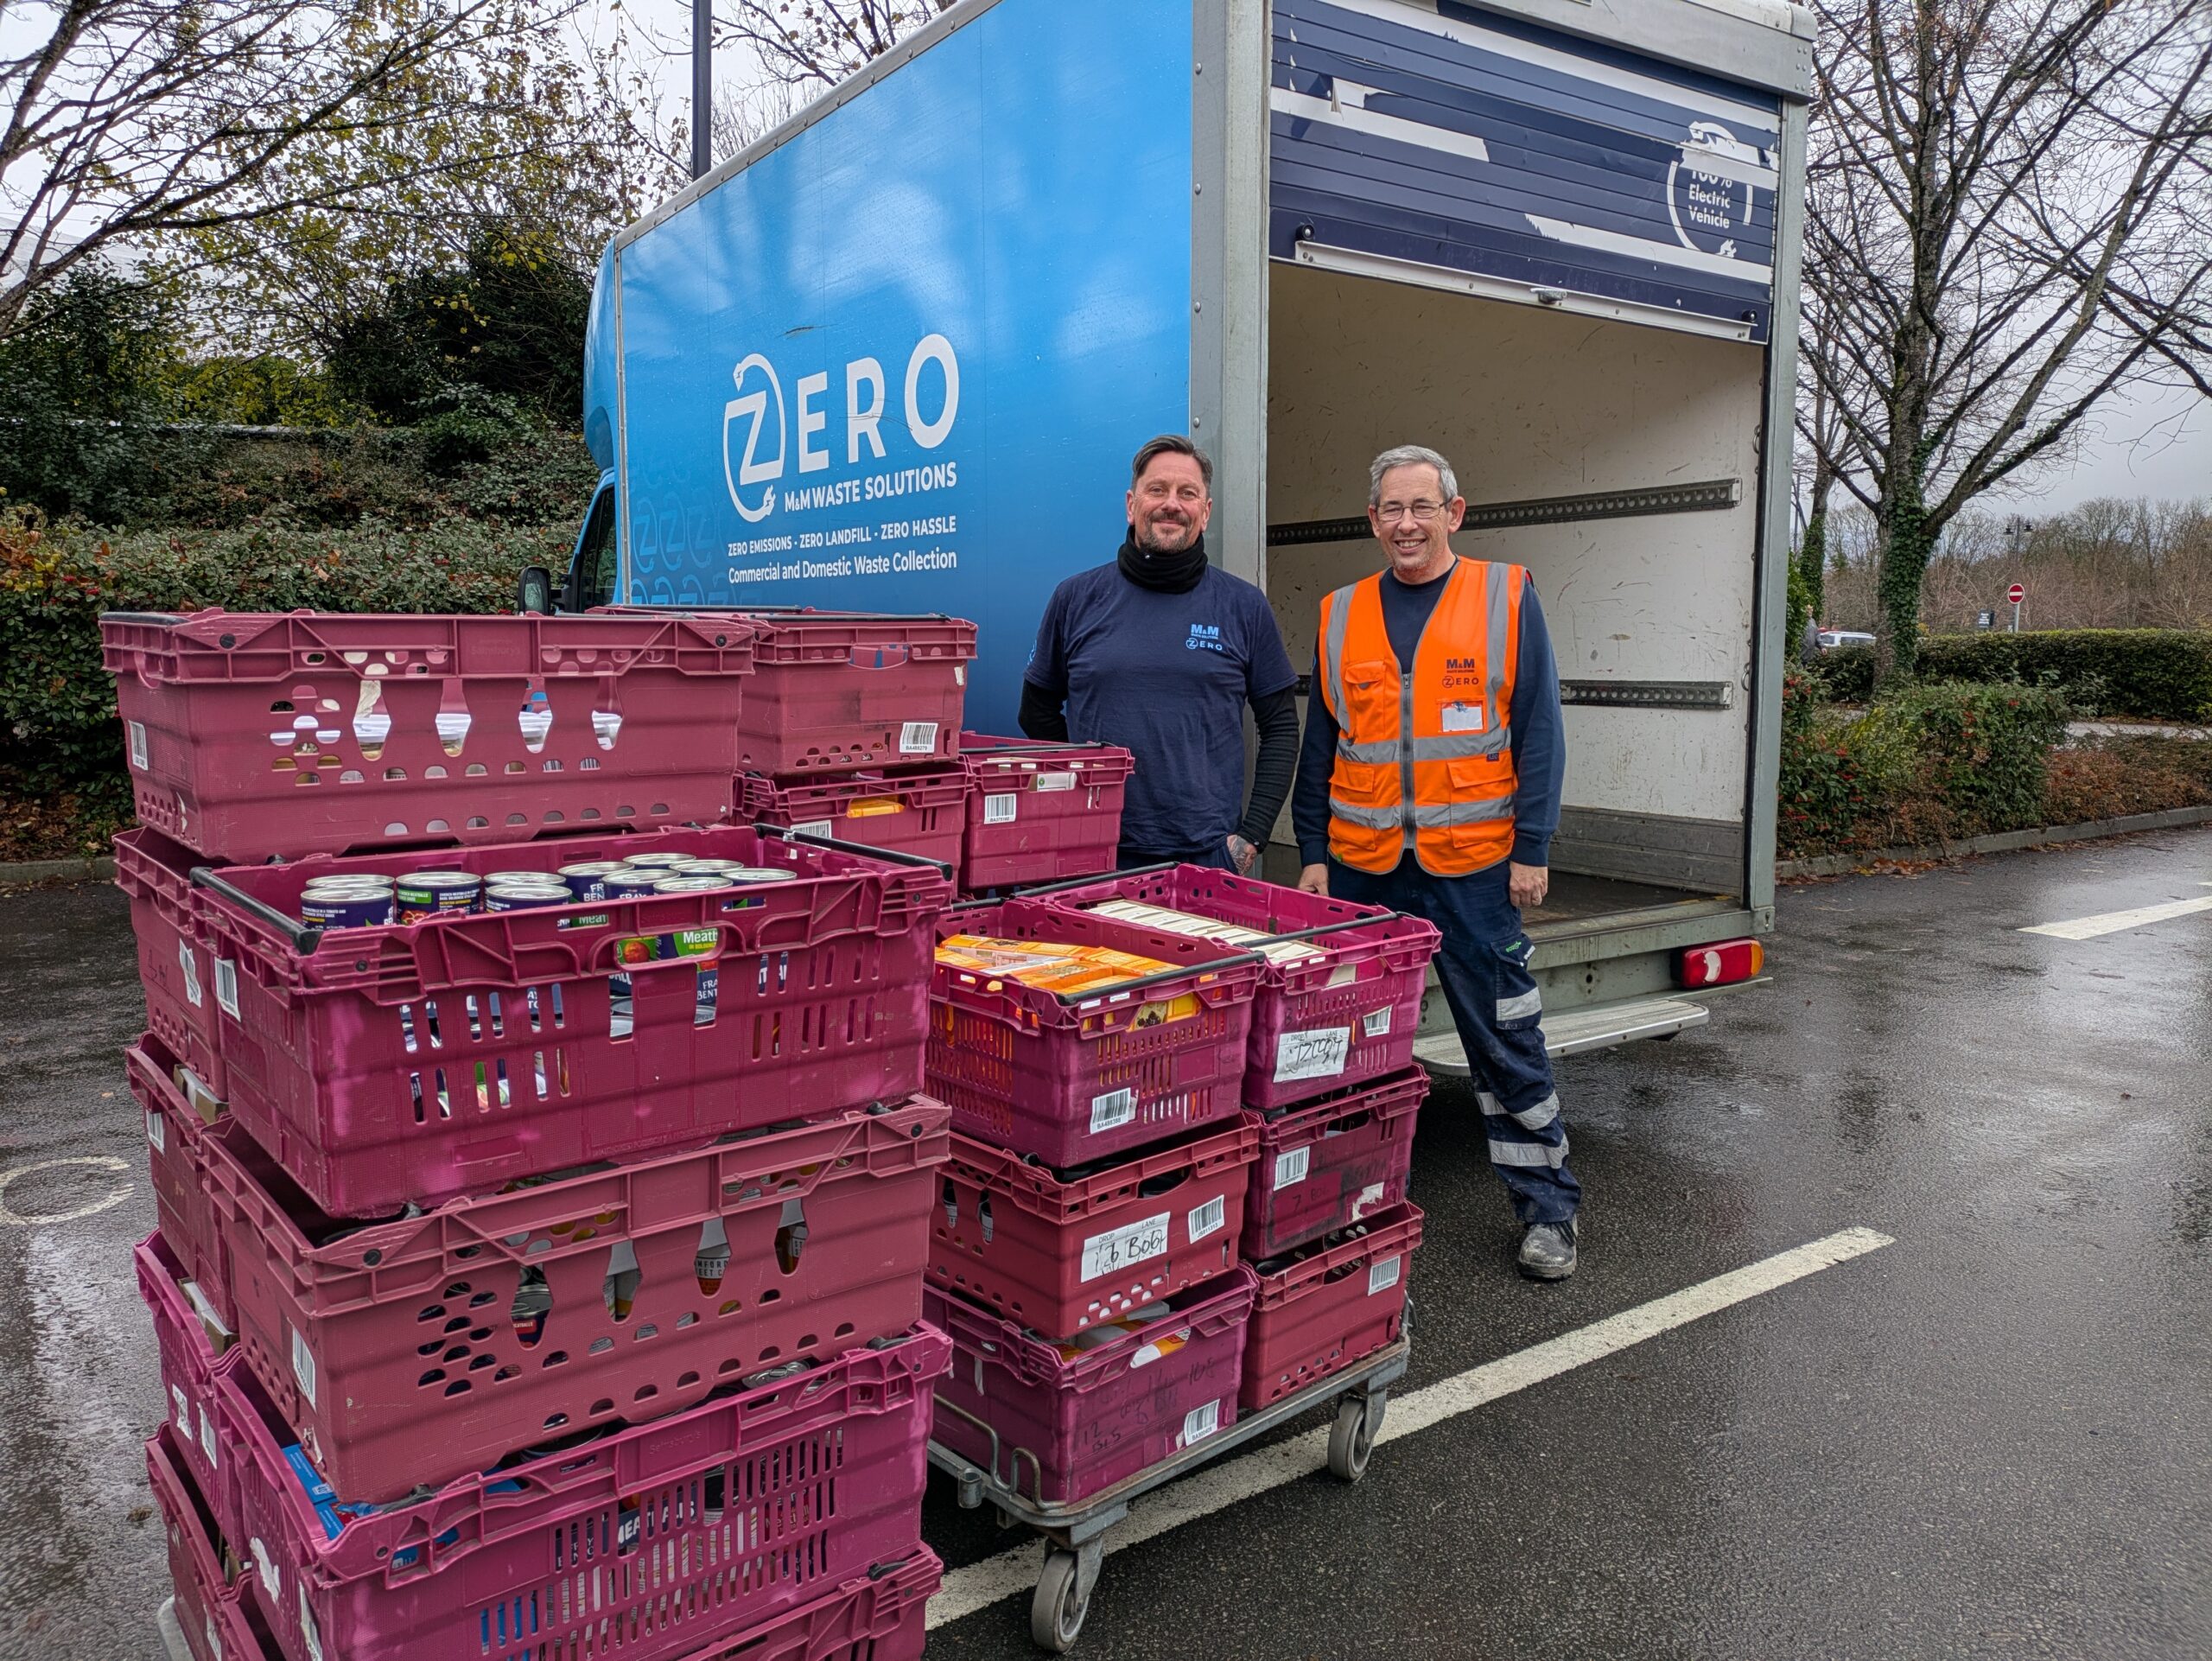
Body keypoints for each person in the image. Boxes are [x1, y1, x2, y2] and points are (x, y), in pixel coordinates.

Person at [1291, 443, 1580, 1278]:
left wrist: (1534, 846)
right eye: (1392, 509)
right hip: (1363, 868)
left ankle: (1550, 1211)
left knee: (1503, 1040)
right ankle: (1337, 1212)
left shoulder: (1505, 593)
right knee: (1348, 1047)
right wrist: (1312, 850)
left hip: (1476, 869)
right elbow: (1323, 746)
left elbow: (1538, 729)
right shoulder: (1341, 612)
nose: (1406, 524)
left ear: (1455, 512)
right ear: (1372, 519)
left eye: (1423, 507)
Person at [1020, 435, 1300, 872]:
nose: (1172, 504)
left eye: (1187, 493)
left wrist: (1252, 838)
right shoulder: (1076, 598)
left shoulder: (1244, 606)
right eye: (1157, 490)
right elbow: (1036, 711)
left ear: (1205, 513)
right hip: (1094, 851)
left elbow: (1281, 727)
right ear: (1132, 505)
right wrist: (1079, 793)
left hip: (1206, 858)